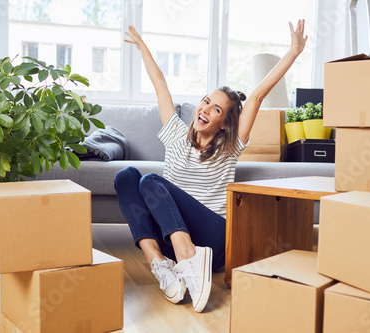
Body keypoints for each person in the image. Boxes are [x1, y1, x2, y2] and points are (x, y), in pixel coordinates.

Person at [114, 20, 308, 313]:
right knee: (126, 177)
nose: (205, 109)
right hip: (170, 239)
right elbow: (160, 84)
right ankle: (161, 265)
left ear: (223, 123)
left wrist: (293, 52)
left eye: (216, 109)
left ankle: (191, 256)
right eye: (205, 102)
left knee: (150, 181)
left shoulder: (228, 147)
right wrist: (143, 47)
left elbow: (256, 95)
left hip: (212, 241)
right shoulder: (176, 135)